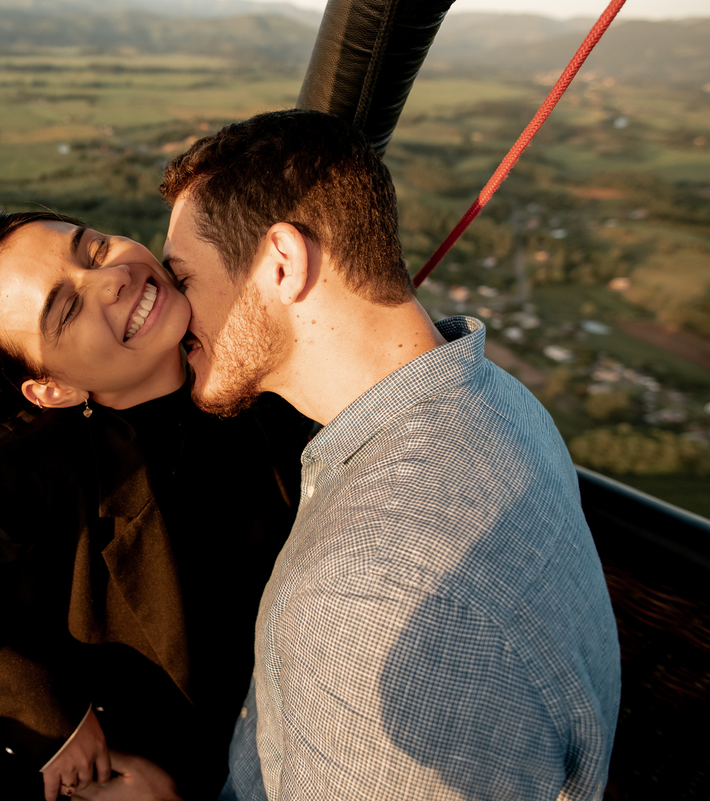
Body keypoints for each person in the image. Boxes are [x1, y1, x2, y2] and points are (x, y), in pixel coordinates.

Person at [158, 110, 621, 800]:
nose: (173, 311)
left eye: (185, 279)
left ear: (282, 263)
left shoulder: (370, 595)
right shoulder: (491, 396)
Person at [0, 211, 313, 801]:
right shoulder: (23, 471)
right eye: (66, 308)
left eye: (92, 249)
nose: (111, 277)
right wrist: (58, 727)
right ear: (54, 390)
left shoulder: (252, 358)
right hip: (185, 761)